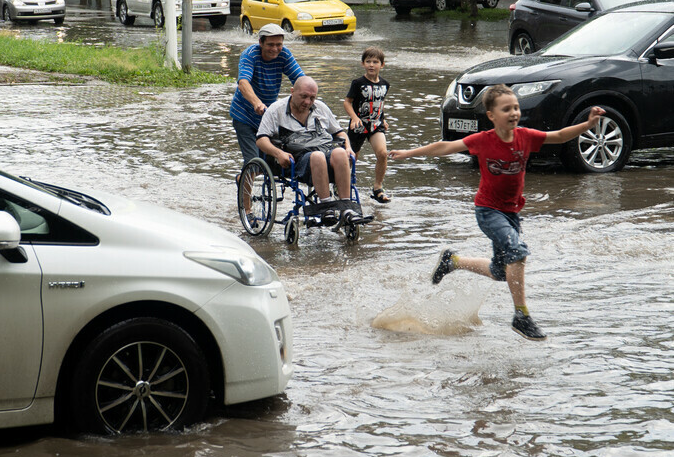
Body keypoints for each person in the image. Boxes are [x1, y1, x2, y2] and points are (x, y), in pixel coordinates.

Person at [388, 84, 606, 341]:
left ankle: (453, 261)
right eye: (506, 109)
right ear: (491, 115)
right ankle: (521, 316)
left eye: (516, 107)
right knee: (517, 252)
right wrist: (409, 153)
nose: (514, 112)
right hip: (488, 211)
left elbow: (558, 135)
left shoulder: (525, 136)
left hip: (512, 212)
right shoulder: (483, 141)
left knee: (501, 271)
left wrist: (587, 125)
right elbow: (445, 147)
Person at [256, 76, 359, 226]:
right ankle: (326, 207)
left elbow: (340, 133)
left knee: (340, 153)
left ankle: (346, 208)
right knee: (317, 156)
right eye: (303, 97)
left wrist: (348, 148)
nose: (307, 102)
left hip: (326, 153)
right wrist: (279, 154)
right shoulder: (276, 110)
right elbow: (261, 139)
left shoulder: (321, 108)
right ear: (292, 91)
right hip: (297, 161)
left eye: (312, 98)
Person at [230, 23, 305, 166]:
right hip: (244, 115)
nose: (275, 49)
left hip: (267, 116)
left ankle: (249, 181)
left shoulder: (284, 55)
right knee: (254, 163)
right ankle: (244, 183)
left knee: (270, 163)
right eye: (270, 45)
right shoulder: (250, 55)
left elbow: (300, 80)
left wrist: (307, 99)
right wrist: (256, 103)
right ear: (260, 43)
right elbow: (243, 83)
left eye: (279, 44)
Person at [343, 46, 391, 203]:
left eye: (375, 62)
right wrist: (354, 118)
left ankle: (378, 188)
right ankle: (341, 184)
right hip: (359, 125)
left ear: (382, 65)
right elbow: (347, 102)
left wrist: (382, 118)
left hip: (376, 125)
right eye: (368, 61)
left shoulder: (385, 84)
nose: (371, 65)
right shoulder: (357, 83)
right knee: (352, 157)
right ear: (363, 63)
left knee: (382, 153)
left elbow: (379, 103)